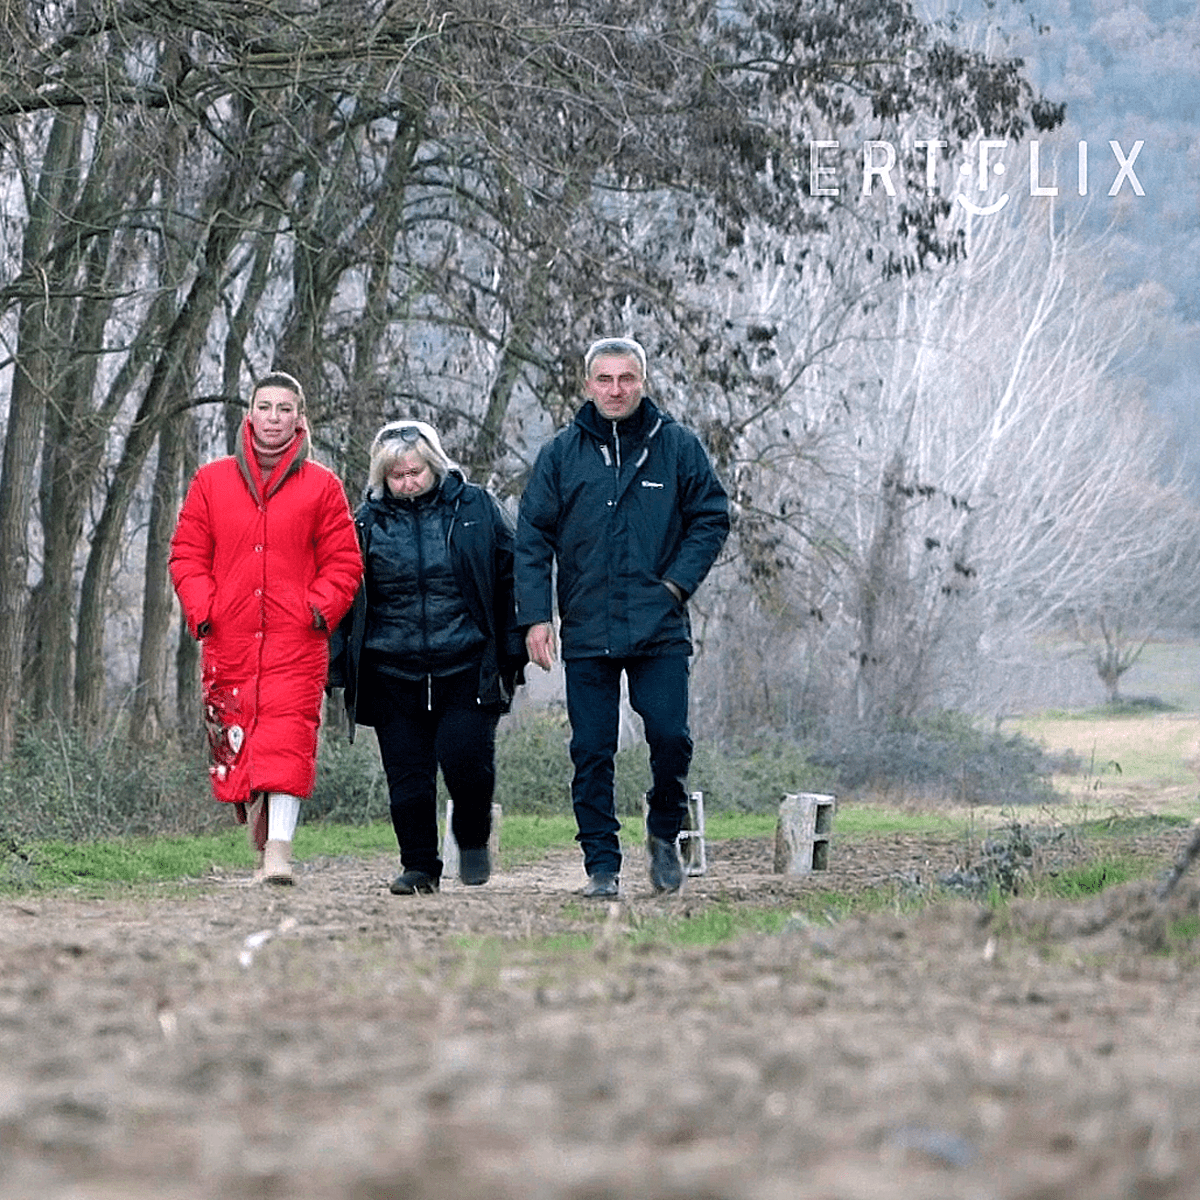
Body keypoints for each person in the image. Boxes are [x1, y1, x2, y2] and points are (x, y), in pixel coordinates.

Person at [515, 337, 729, 898]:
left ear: (643, 382)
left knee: (671, 738)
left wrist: (676, 584)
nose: (616, 389)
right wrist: (536, 617)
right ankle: (602, 866)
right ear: (587, 385)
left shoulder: (677, 447)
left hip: (659, 623)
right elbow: (532, 538)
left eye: (626, 378)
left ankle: (664, 837)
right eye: (605, 379)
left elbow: (711, 517)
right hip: (586, 625)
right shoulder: (561, 454)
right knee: (591, 751)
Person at [169, 371, 363, 885]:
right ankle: (260, 826)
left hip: (297, 640)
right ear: (249, 414)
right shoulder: (211, 481)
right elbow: (187, 554)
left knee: (287, 740)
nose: (274, 418)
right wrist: (205, 608)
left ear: (300, 418)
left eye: (285, 409)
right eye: (265, 407)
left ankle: (279, 852)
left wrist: (317, 610)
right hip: (229, 638)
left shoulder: (323, 486)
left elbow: (344, 562)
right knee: (241, 745)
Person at [329, 420, 526, 895]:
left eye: (415, 472)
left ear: (434, 466)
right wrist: (337, 665)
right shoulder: (363, 524)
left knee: (467, 763)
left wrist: (515, 647)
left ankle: (473, 840)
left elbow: (512, 577)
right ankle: (418, 866)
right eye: (396, 476)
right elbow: (342, 598)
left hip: (466, 664)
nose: (407, 482)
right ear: (382, 478)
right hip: (390, 670)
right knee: (408, 778)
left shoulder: (477, 508)